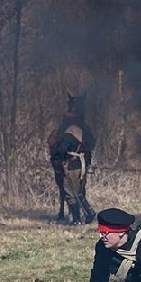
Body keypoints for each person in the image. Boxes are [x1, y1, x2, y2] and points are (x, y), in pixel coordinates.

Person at [48, 92, 96, 223]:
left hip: (72, 165)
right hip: (83, 165)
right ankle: (88, 213)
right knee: (79, 190)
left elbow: (62, 149)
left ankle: (77, 219)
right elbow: (91, 144)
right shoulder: (85, 129)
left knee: (70, 192)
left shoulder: (69, 131)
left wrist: (58, 156)